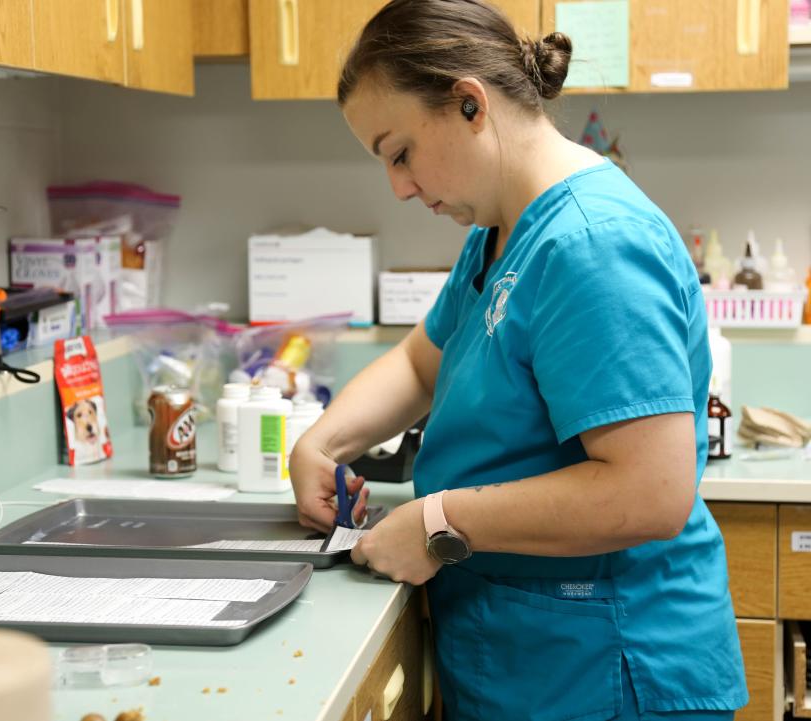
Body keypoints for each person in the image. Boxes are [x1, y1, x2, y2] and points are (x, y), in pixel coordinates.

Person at [287, 1, 748, 720]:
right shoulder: (503, 227)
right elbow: (420, 364)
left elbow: (650, 492)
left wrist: (438, 521)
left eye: (399, 151)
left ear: (469, 103)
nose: (399, 187)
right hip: (532, 655)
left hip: (608, 669)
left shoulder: (593, 245)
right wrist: (322, 441)